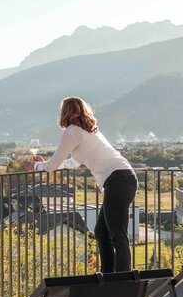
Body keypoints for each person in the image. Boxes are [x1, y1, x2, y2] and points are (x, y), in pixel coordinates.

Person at [29, 96, 138, 273]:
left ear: (65, 112)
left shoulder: (72, 132)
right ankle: (109, 276)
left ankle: (122, 280)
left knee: (118, 235)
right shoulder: (89, 131)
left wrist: (35, 166)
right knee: (102, 232)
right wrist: (46, 164)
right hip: (124, 178)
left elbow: (52, 166)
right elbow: (73, 163)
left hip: (118, 180)